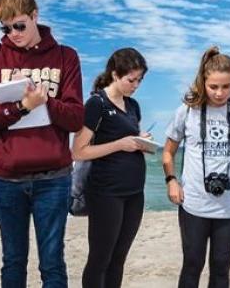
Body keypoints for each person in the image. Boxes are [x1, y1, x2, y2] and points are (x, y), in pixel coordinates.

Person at [0, 0, 85, 288]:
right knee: (13, 261)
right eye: (5, 29)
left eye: (19, 25)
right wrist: (22, 106)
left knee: (52, 262)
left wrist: (44, 100)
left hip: (54, 177)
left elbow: (76, 118)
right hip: (7, 177)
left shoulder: (65, 56)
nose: (13, 34)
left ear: (35, 15)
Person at [160, 46, 230, 288]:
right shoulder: (187, 111)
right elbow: (168, 151)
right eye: (214, 86)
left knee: (221, 269)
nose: (220, 93)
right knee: (192, 265)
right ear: (204, 81)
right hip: (194, 205)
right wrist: (172, 180)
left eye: (226, 86)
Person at [71, 48, 150, 288]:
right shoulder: (97, 104)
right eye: (131, 80)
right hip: (106, 193)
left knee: (119, 258)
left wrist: (141, 141)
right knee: (100, 259)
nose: (135, 85)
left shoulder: (133, 105)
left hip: (134, 193)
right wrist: (120, 144)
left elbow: (128, 140)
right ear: (115, 75)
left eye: (140, 80)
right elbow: (79, 150)